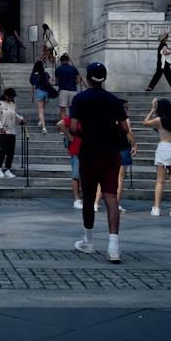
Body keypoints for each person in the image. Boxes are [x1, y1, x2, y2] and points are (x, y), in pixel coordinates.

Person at [69, 62, 135, 264]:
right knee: (111, 196)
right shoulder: (114, 100)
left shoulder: (79, 99)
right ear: (104, 78)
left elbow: (73, 127)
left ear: (88, 78)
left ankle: (88, 241)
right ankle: (113, 247)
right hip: (111, 152)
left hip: (89, 152)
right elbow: (124, 128)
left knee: (89, 197)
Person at [144, 97, 171, 218]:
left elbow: (145, 122)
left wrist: (152, 109)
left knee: (160, 181)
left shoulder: (160, 120)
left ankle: (156, 208)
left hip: (164, 148)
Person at [95, 98, 136, 214]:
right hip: (122, 148)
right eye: (126, 108)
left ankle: (96, 203)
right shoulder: (125, 119)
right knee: (119, 178)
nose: (127, 110)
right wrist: (134, 144)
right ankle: (115, 205)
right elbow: (128, 133)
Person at [0, 87, 25, 179]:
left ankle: (8, 169)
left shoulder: (12, 104)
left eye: (12, 97)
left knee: (11, 150)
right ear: (5, 95)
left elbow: (14, 114)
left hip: (11, 129)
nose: (11, 98)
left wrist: (20, 119)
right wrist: (0, 127)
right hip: (2, 130)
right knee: (3, 149)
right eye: (10, 97)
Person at [57, 112, 83, 209]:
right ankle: (77, 199)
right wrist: (69, 136)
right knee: (76, 174)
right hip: (76, 148)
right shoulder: (75, 117)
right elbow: (60, 124)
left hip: (87, 149)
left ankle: (84, 198)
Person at [29, 54, 56, 133]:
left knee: (40, 110)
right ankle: (40, 121)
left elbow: (32, 87)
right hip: (46, 92)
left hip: (39, 92)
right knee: (43, 108)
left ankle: (44, 128)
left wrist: (32, 97)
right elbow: (50, 83)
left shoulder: (33, 76)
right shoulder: (45, 74)